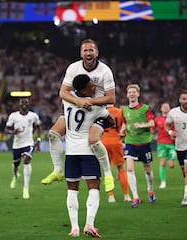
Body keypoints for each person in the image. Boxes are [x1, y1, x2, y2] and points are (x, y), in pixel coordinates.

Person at [41, 39, 116, 194]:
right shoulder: (73, 68)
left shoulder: (105, 71)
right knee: (53, 134)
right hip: (77, 107)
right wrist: (78, 101)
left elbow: (111, 99)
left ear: (97, 52)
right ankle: (57, 171)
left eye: (91, 50)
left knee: (93, 140)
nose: (88, 53)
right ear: (81, 53)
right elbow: (62, 92)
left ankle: (108, 175)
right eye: (85, 50)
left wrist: (90, 101)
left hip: (97, 111)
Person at [64, 74, 115, 237]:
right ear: (83, 89)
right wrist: (98, 123)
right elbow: (112, 121)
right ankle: (89, 224)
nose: (94, 87)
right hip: (88, 152)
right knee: (93, 188)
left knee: (72, 190)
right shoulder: (97, 107)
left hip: (71, 152)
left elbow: (64, 94)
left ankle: (74, 228)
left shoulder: (67, 101)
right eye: (91, 85)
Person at [121, 84, 155, 208]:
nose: (132, 94)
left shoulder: (145, 108)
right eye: (129, 92)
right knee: (129, 168)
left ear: (138, 94)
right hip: (130, 142)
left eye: (134, 92)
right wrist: (122, 130)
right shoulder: (124, 110)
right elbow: (125, 124)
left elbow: (152, 123)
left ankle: (150, 189)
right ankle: (135, 197)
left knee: (147, 168)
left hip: (144, 143)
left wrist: (142, 125)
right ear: (127, 94)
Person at [5, 98, 42, 199]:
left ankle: (26, 188)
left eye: (26, 103)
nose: (24, 104)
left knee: (27, 160)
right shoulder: (13, 116)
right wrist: (13, 132)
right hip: (17, 144)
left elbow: (38, 126)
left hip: (28, 143)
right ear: (19, 105)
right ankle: (15, 176)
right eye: (22, 103)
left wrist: (38, 140)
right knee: (16, 164)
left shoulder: (33, 116)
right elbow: (6, 129)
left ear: (29, 105)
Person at [101, 104, 131, 203]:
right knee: (121, 168)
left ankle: (111, 197)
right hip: (116, 141)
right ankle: (126, 195)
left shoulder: (100, 111)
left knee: (106, 169)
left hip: (103, 141)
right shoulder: (119, 112)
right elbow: (124, 127)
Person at [154, 102, 177, 189]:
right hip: (161, 144)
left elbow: (176, 131)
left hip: (171, 144)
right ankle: (163, 182)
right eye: (164, 106)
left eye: (167, 106)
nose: (165, 108)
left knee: (171, 165)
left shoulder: (173, 120)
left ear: (169, 109)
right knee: (162, 163)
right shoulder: (157, 119)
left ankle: (171, 161)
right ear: (161, 109)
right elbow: (152, 128)